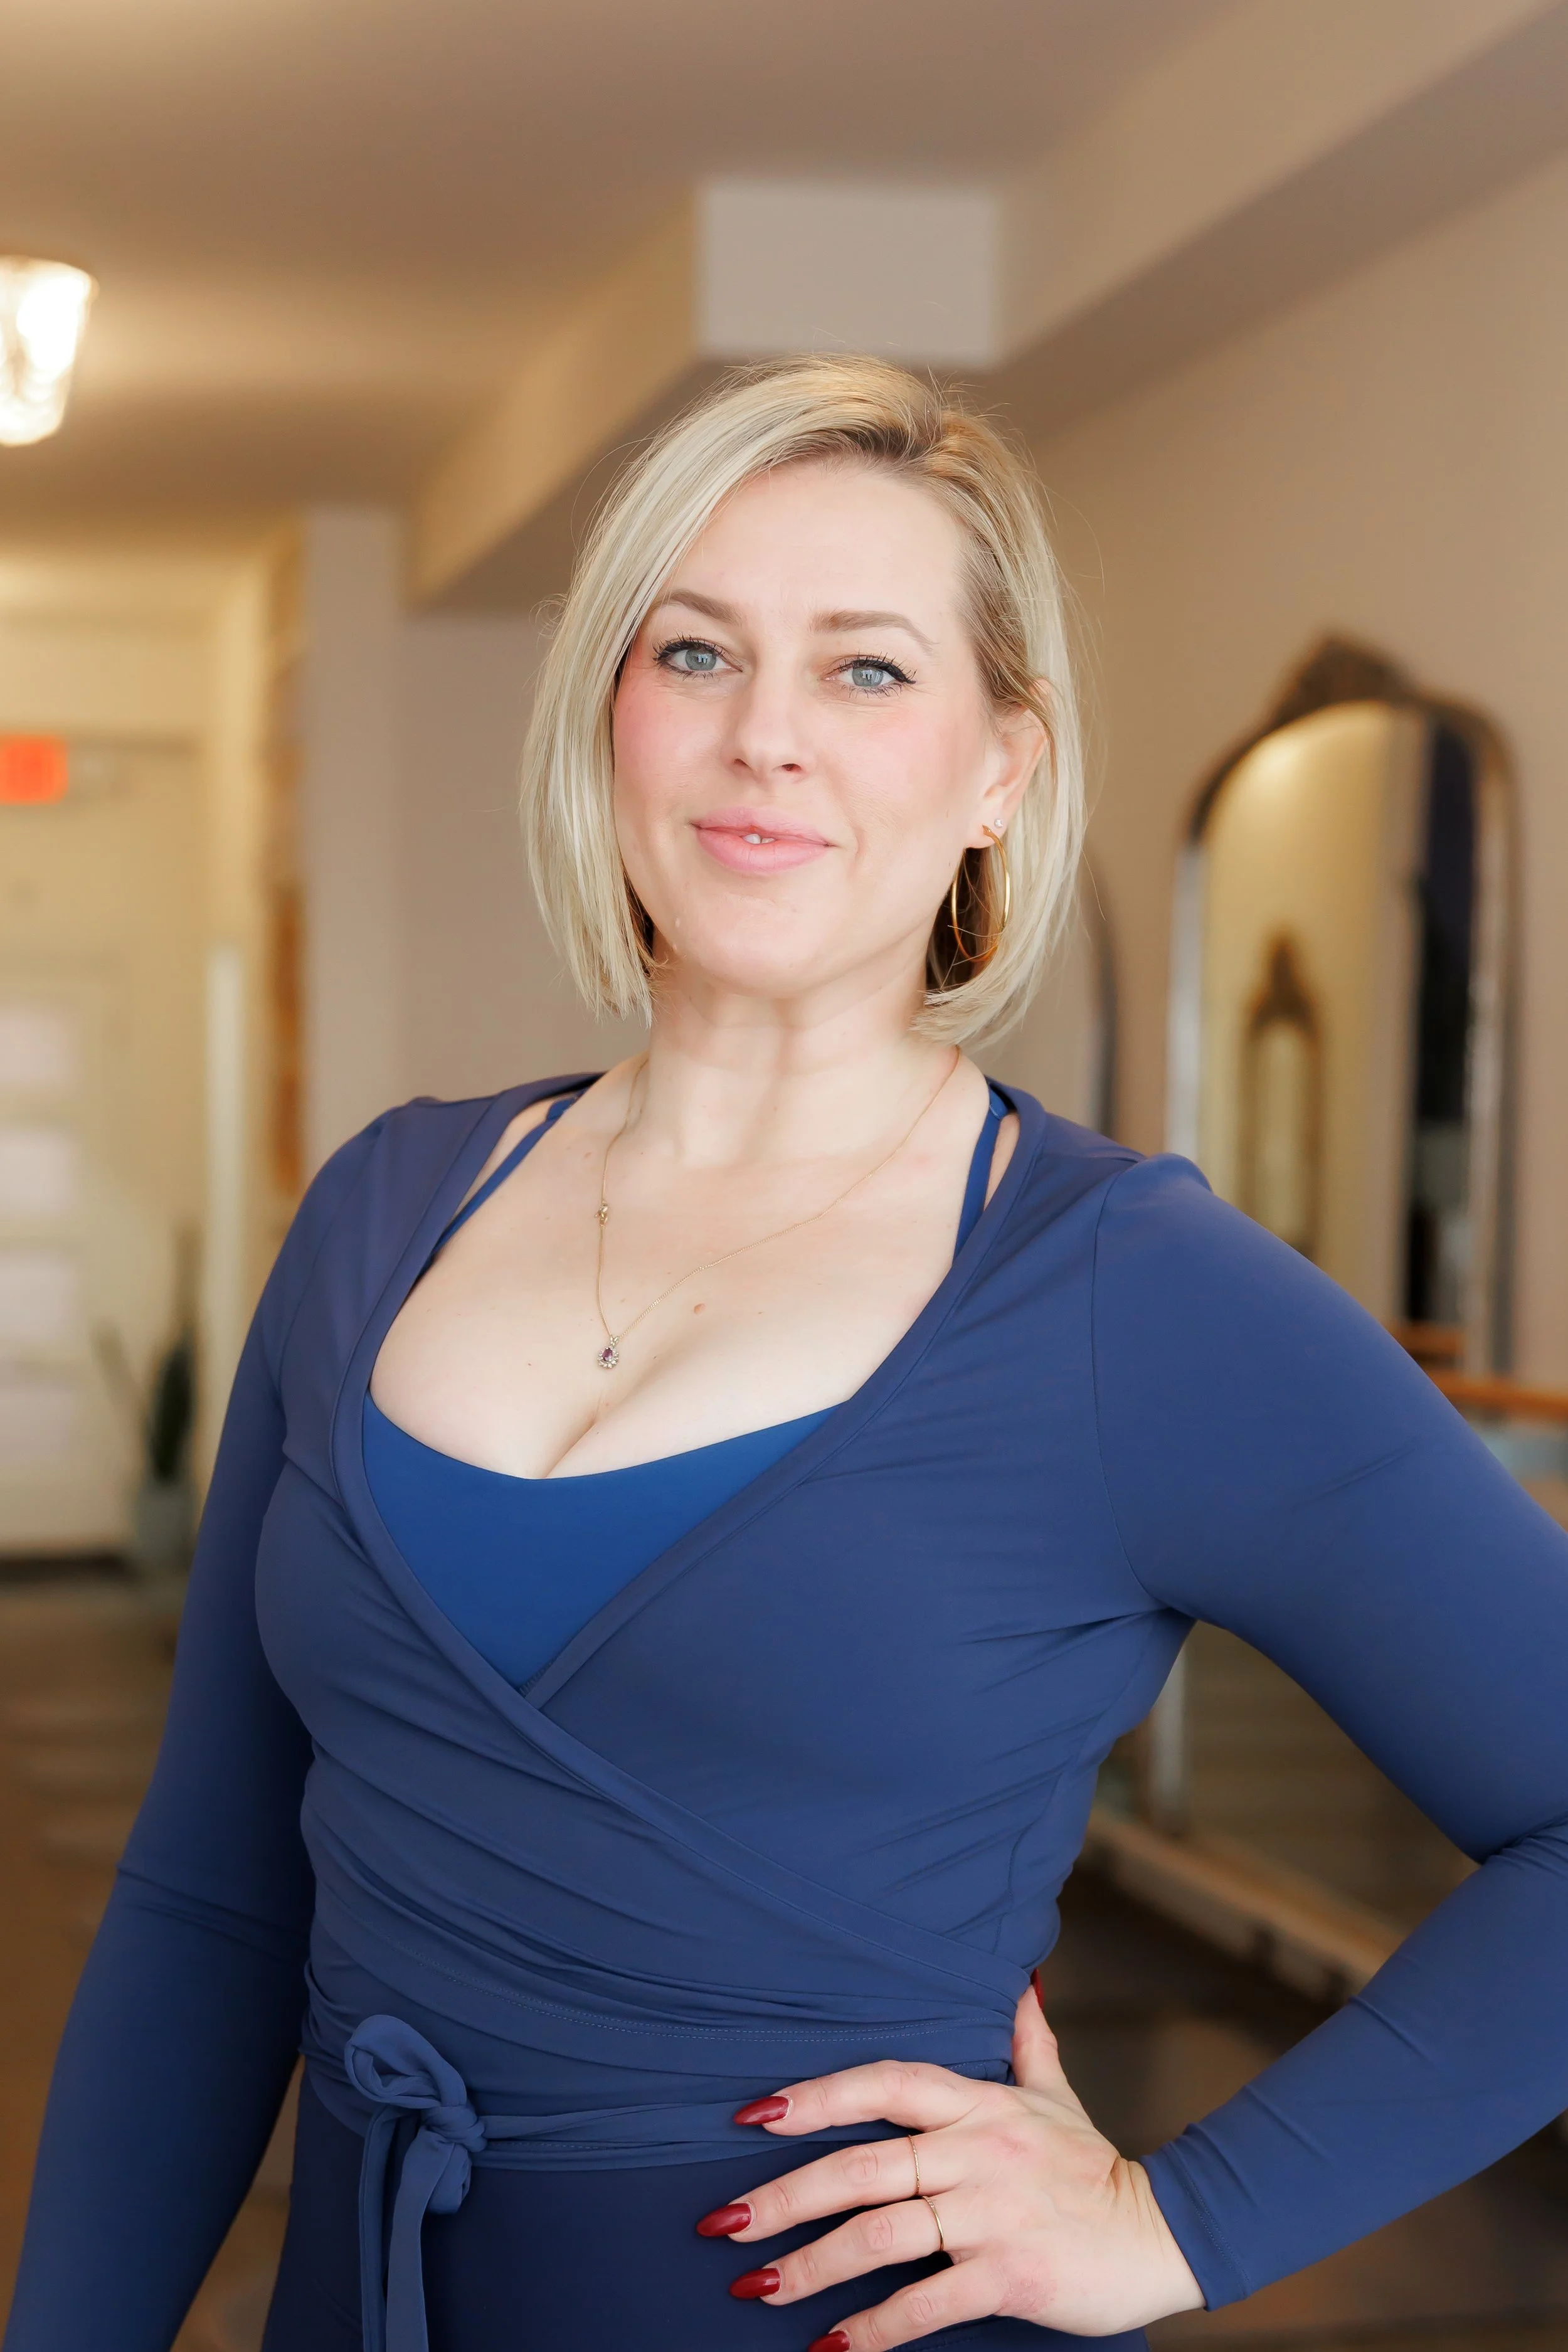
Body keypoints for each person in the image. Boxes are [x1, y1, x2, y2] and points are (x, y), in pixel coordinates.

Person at [8, 357, 1568, 2352]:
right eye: (696, 651)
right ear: (607, 709)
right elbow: (213, 1904)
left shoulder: (1128, 1291)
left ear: (1000, 763)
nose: (763, 741)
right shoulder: (379, 1217)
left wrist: (1180, 2224)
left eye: (863, 670)